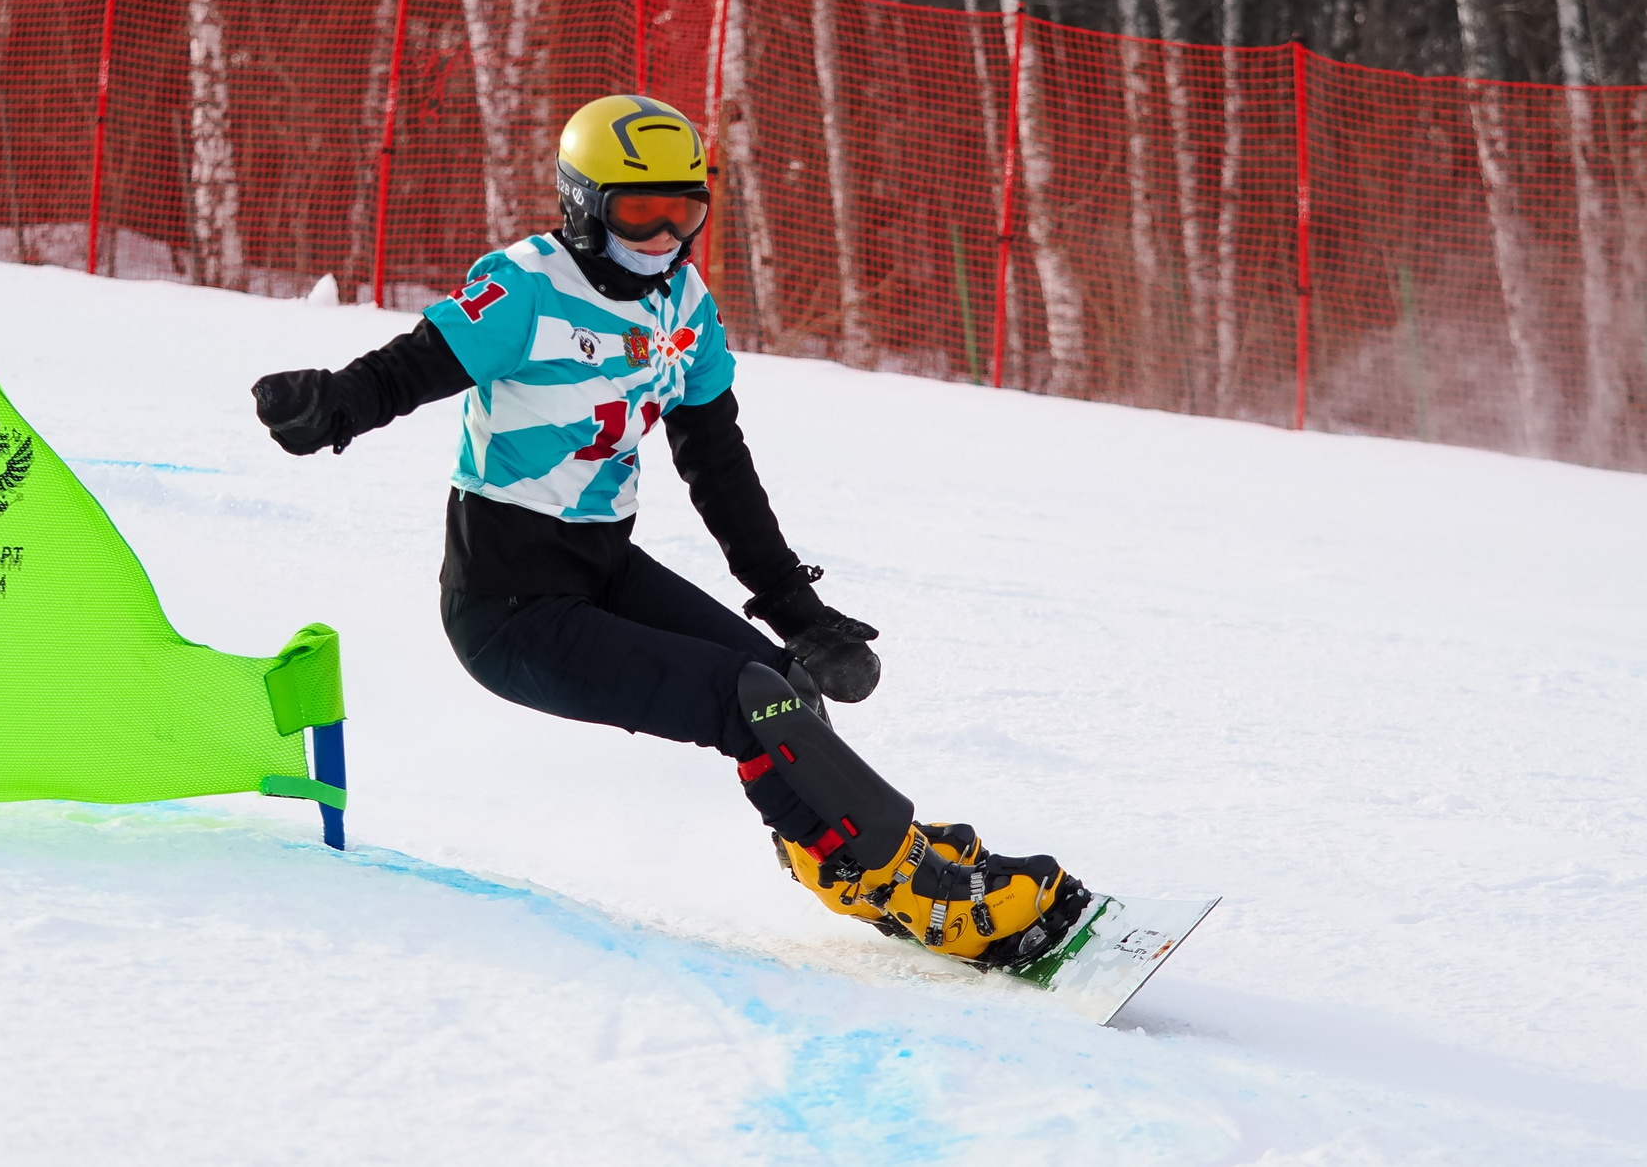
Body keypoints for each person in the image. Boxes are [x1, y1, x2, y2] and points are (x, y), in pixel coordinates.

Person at [250, 94, 1087, 967]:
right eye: (637, 212)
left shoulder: (682, 302)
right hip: (509, 605)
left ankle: (841, 859)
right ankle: (904, 874)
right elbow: (414, 366)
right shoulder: (528, 285)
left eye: (682, 212)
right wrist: (333, 404)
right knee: (743, 698)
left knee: (782, 680)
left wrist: (795, 609)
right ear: (582, 204)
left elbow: (717, 463)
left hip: (600, 566)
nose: (662, 237)